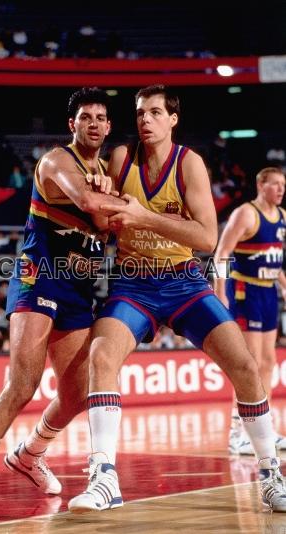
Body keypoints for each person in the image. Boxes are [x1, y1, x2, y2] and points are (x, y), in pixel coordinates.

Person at [68, 85, 286, 514]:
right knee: (101, 355)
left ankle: (270, 474)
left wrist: (144, 216)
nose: (145, 120)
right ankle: (104, 476)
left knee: (244, 364)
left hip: (184, 280)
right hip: (134, 282)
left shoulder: (190, 164)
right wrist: (97, 192)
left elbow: (207, 237)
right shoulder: (119, 158)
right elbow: (106, 221)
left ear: (173, 119)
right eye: (139, 113)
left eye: (154, 112)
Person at [0, 87, 126, 521]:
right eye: (86, 117)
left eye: (101, 117)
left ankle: (30, 453)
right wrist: (113, 201)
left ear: (109, 125)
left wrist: (113, 202)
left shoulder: (107, 175)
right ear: (72, 124)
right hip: (38, 274)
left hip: (78, 287)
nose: (94, 123)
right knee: (23, 384)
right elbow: (88, 202)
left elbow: (110, 223)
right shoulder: (58, 162)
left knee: (76, 394)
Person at [214, 167, 286, 455]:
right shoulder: (245, 213)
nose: (281, 189)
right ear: (260, 185)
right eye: (275, 184)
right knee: (251, 364)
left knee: (268, 361)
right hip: (245, 292)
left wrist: (283, 283)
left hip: (268, 291)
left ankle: (262, 427)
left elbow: (274, 258)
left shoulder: (282, 217)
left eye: (283, 184)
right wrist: (220, 292)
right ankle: (237, 432)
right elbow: (221, 253)